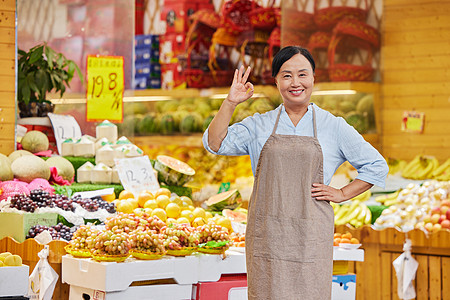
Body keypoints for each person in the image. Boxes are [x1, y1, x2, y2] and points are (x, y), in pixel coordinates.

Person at [202, 46, 388, 299]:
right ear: (276, 80)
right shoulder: (260, 124)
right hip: (267, 236)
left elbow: (376, 165)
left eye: (303, 74)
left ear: (313, 78)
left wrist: (342, 193)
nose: (295, 82)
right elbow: (215, 143)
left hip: (311, 237)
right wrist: (230, 102)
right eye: (287, 75)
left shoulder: (332, 126)